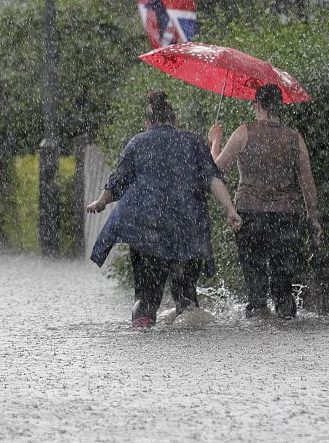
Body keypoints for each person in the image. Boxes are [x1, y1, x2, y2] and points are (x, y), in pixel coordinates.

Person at [88, 91, 243, 328]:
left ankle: (143, 326)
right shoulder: (192, 141)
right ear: (175, 120)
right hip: (187, 229)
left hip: (146, 230)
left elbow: (117, 181)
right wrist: (230, 209)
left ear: (148, 123)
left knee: (146, 298)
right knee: (187, 298)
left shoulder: (138, 142)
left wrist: (100, 202)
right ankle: (190, 329)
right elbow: (213, 179)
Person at [208, 84, 320, 320]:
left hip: (250, 215)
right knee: (283, 286)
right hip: (286, 217)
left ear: (257, 105)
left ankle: (258, 325)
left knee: (255, 286)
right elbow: (307, 183)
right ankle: (286, 322)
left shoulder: (244, 132)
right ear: (279, 106)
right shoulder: (294, 138)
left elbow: (216, 170)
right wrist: (313, 217)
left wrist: (214, 141)